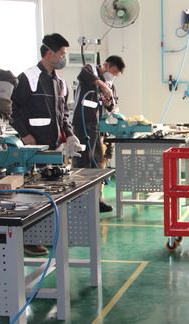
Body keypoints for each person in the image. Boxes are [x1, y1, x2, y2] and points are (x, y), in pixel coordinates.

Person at [11, 33, 82, 256]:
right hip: (33, 148)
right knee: (31, 194)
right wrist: (25, 135)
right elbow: (12, 109)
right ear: (49, 53)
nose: (63, 58)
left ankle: (46, 234)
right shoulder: (28, 78)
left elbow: (64, 115)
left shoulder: (60, 82)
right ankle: (27, 240)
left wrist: (70, 135)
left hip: (53, 148)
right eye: (61, 53)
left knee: (50, 193)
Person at [72, 56, 125, 213]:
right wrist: (102, 85)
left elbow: (112, 105)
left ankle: (97, 199)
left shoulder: (110, 85)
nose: (112, 76)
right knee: (83, 162)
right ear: (106, 65)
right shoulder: (91, 70)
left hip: (97, 127)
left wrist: (109, 103)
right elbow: (84, 75)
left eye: (115, 75)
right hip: (82, 123)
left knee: (99, 162)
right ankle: (79, 200)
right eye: (113, 72)